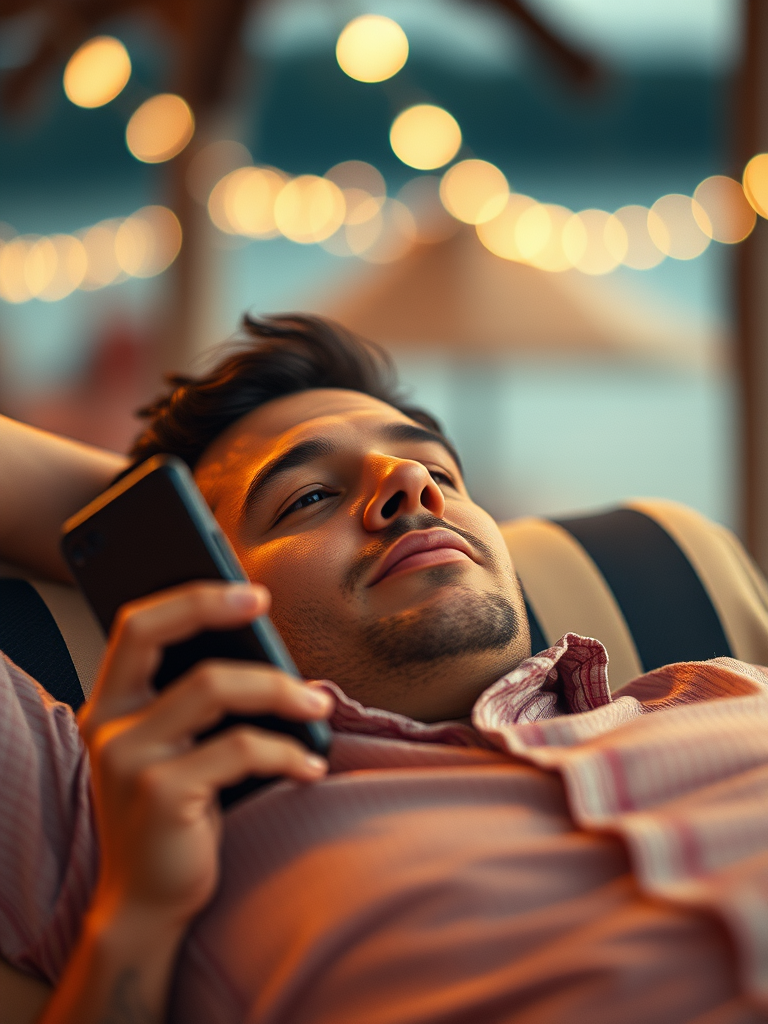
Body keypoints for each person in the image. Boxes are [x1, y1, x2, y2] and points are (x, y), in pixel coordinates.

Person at [1, 315, 768, 1024]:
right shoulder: (129, 808)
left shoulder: (728, 687)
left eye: (436, 470)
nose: (412, 485)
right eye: (306, 497)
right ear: (206, 589)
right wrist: (135, 909)